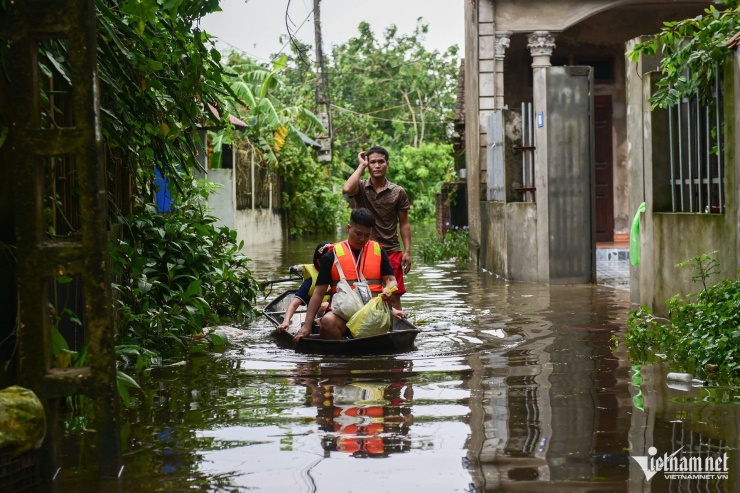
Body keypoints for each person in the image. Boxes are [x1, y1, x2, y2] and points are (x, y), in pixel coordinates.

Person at [294, 208, 398, 342]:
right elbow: (318, 294)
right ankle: (342, 355)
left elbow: (392, 280)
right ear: (349, 228)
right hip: (343, 314)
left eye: (367, 235)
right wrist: (307, 326)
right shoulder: (331, 256)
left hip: (373, 313)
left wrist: (388, 289)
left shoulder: (378, 251)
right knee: (327, 321)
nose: (362, 239)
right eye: (358, 234)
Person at [343, 146, 411, 313]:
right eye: (372, 162)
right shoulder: (360, 188)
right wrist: (361, 166)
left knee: (394, 295)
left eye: (381, 161)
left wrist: (407, 252)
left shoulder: (398, 192)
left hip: (391, 249)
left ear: (387, 164)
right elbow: (347, 190)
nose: (377, 165)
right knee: (365, 293)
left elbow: (404, 223)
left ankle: (396, 328)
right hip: (363, 248)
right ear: (368, 164)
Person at [275, 242, 333, 335]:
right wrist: (286, 322)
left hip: (335, 314)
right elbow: (294, 304)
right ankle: (314, 324)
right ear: (319, 262)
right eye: (329, 260)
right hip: (317, 316)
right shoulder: (310, 281)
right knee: (325, 305)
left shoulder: (339, 276)